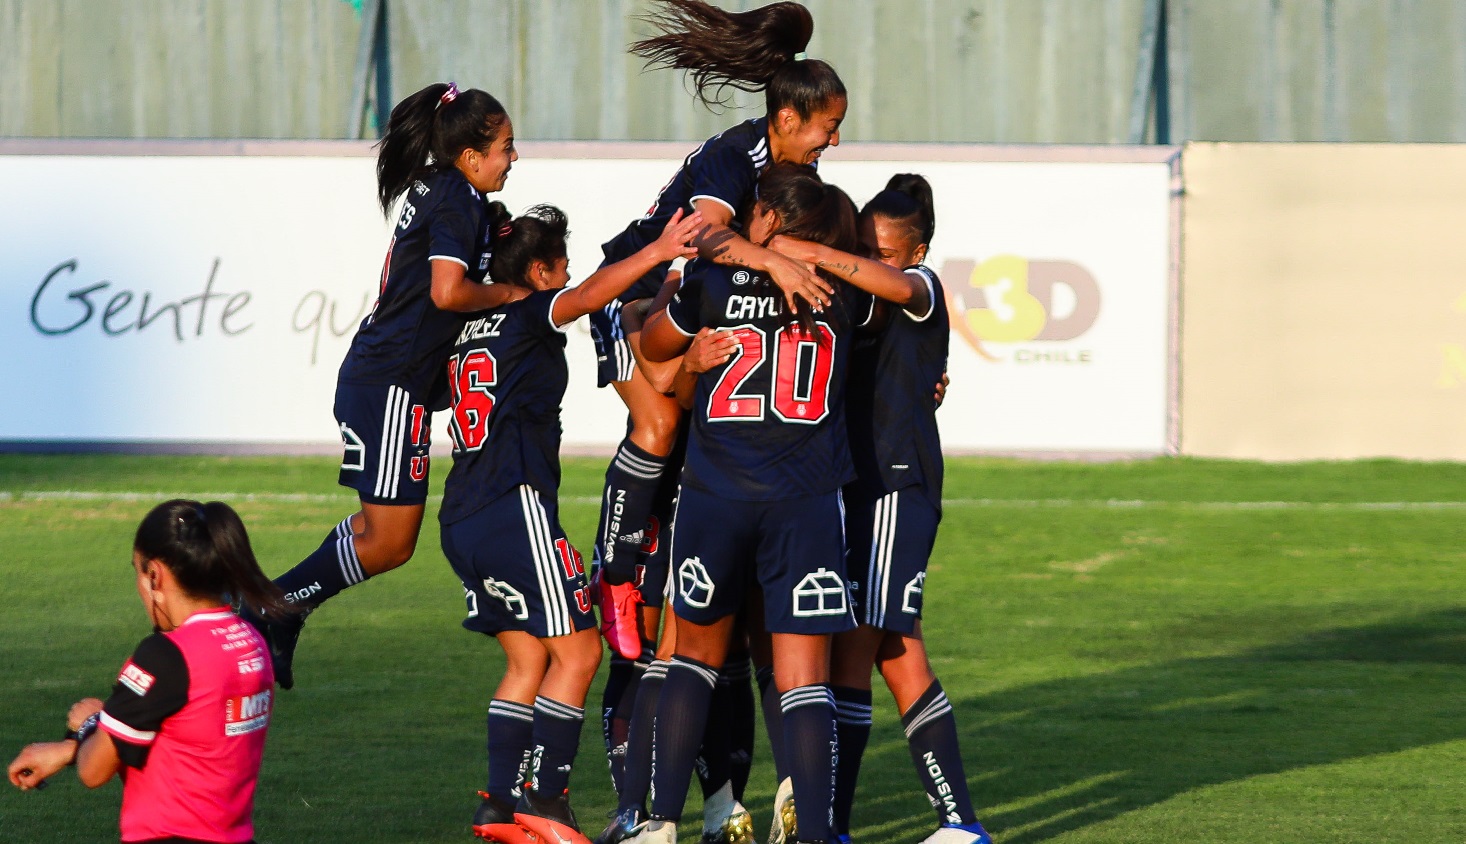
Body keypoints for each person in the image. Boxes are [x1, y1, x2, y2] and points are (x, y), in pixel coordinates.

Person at [622, 163, 929, 844]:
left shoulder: (712, 282)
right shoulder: (844, 293)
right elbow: (905, 304)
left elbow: (651, 347)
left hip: (716, 496)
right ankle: (815, 834)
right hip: (807, 501)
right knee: (802, 680)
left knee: (693, 661)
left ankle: (660, 823)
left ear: (765, 219)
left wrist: (696, 358)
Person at [433, 202, 702, 844]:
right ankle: (548, 801)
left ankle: (500, 804)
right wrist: (658, 251)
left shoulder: (468, 329)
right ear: (537, 270)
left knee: (529, 658)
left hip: (463, 515)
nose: (567, 276)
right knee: (580, 652)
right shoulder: (529, 313)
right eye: (560, 267)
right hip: (513, 505)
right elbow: (584, 299)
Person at [589, 0, 848, 662]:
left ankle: (665, 564)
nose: (836, 141)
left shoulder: (798, 172)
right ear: (787, 119)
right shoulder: (735, 155)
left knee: (694, 430)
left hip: (680, 301)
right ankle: (615, 577)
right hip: (628, 290)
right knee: (660, 426)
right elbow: (704, 235)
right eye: (830, 126)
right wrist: (771, 260)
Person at [255, 82, 527, 689]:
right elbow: (447, 293)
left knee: (380, 536)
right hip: (389, 385)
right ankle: (272, 605)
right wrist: (512, 294)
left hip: (388, 382)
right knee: (389, 543)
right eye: (507, 146)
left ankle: (281, 607)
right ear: (471, 155)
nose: (515, 158)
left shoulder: (441, 187)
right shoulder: (458, 198)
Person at [824, 175, 993, 844]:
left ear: (916, 250)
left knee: (865, 652)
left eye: (882, 252)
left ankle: (846, 825)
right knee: (890, 654)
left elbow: (897, 287)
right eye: (862, 246)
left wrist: (813, 255)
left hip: (898, 489)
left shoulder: (920, 289)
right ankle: (951, 825)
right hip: (863, 490)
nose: (869, 260)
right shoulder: (865, 311)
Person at [8, 500, 291, 844]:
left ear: (155, 574)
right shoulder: (251, 641)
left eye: (137, 572)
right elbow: (187, 739)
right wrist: (71, 747)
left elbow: (93, 771)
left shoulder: (166, 657)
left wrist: (90, 724)